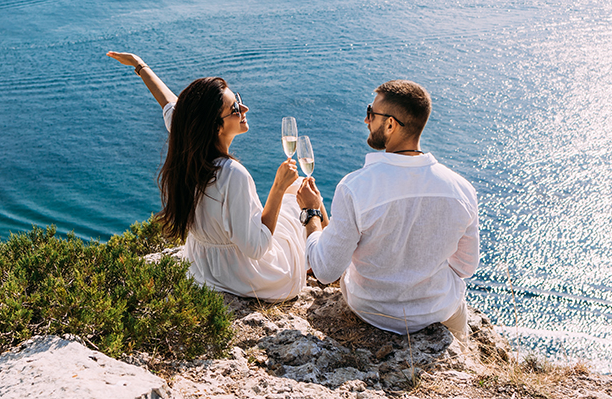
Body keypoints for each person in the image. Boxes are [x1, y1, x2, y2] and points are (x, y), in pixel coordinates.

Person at [107, 51, 314, 302]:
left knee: (297, 198)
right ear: (216, 126)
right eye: (235, 108)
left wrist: (139, 65)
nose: (244, 108)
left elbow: (171, 105)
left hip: (203, 270)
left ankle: (319, 260)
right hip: (249, 277)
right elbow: (257, 248)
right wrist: (278, 188)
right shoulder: (233, 175)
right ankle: (322, 265)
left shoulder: (187, 142)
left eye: (238, 100)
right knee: (305, 195)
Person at [296, 80, 479, 342]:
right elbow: (465, 266)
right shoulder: (462, 189)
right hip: (438, 311)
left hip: (371, 311)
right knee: (466, 347)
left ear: (390, 124)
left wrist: (312, 213)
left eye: (371, 113)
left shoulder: (355, 187)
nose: (366, 120)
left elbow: (325, 271)